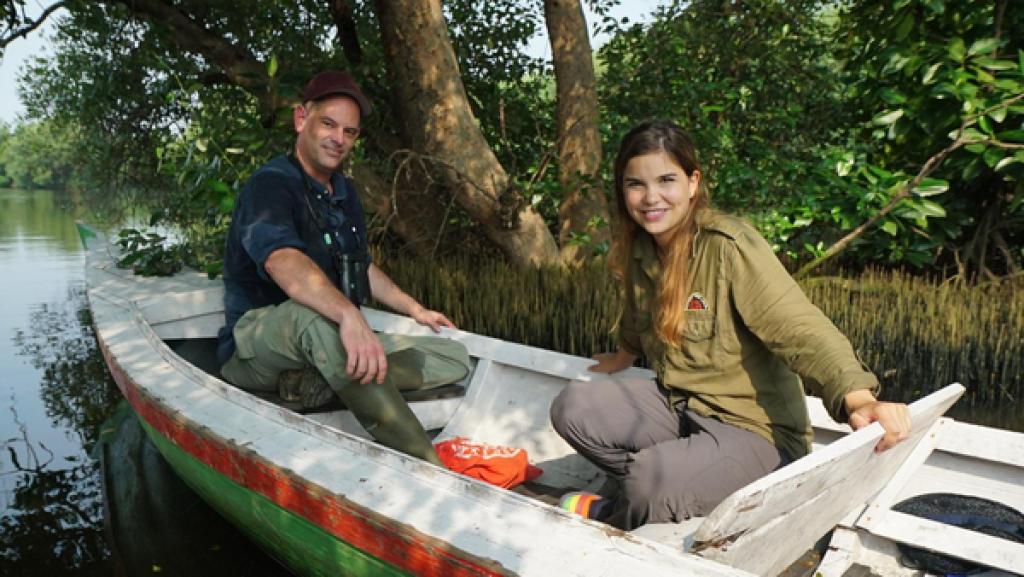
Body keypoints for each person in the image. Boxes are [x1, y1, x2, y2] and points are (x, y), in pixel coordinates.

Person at [550, 120, 912, 530]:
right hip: (680, 404)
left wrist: (859, 399)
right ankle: (662, 489)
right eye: (636, 184)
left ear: (692, 182)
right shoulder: (642, 248)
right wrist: (623, 355)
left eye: (666, 180)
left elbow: (801, 328)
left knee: (647, 480)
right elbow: (638, 316)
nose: (651, 197)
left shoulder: (728, 245)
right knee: (573, 408)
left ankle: (622, 508)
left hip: (756, 431)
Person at [217, 71, 470, 467]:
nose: (339, 139)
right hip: (256, 345)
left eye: (350, 132)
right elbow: (283, 261)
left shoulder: (344, 192)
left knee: (454, 356)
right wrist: (350, 314)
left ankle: (326, 378)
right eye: (329, 125)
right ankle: (429, 467)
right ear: (302, 119)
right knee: (312, 318)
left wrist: (414, 309)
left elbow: (361, 266)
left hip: (326, 342)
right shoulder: (269, 185)